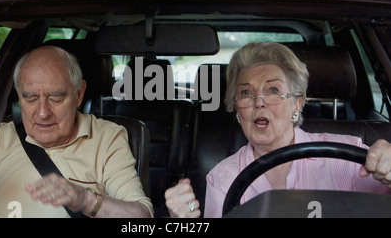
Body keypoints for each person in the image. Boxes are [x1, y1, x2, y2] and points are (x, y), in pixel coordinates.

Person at [165, 42, 391, 218]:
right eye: (246, 93)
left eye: (273, 89)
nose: (258, 102)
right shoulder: (222, 177)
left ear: (297, 103)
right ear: (236, 108)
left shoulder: (347, 156)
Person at [0, 45, 153, 218]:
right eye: (30, 98)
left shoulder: (107, 138)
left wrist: (85, 199)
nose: (42, 113)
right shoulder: (1, 138)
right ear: (18, 96)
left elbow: (141, 218)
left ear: (79, 95)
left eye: (56, 98)